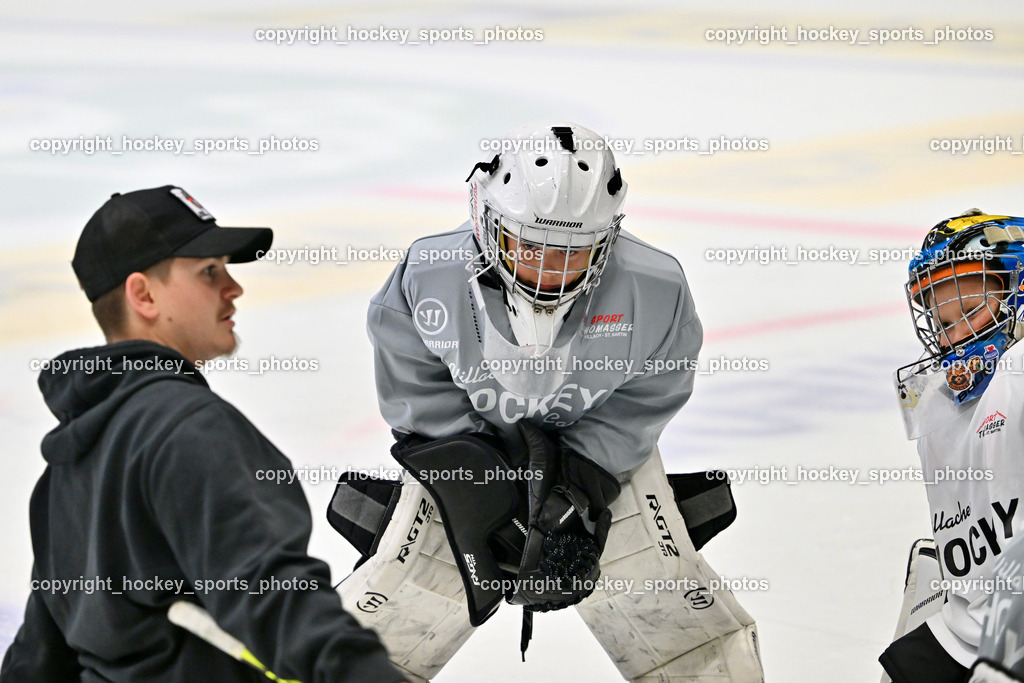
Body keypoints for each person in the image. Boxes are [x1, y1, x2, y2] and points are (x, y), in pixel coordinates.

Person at [331, 124, 764, 682]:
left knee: (685, 632)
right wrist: (480, 485)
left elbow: (649, 391)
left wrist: (580, 487)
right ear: (487, 221)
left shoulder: (656, 289)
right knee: (394, 610)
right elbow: (415, 379)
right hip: (466, 457)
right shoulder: (429, 274)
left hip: (600, 469)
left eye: (573, 253)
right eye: (531, 246)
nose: (550, 271)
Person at [0, 186, 407, 682]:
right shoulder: (187, 428)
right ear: (143, 295)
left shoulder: (65, 468)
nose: (233, 288)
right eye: (209, 272)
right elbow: (274, 595)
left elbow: (39, 656)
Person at [884, 210, 1024, 683]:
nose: (958, 335)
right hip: (963, 628)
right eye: (943, 322)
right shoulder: (938, 402)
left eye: (971, 310)